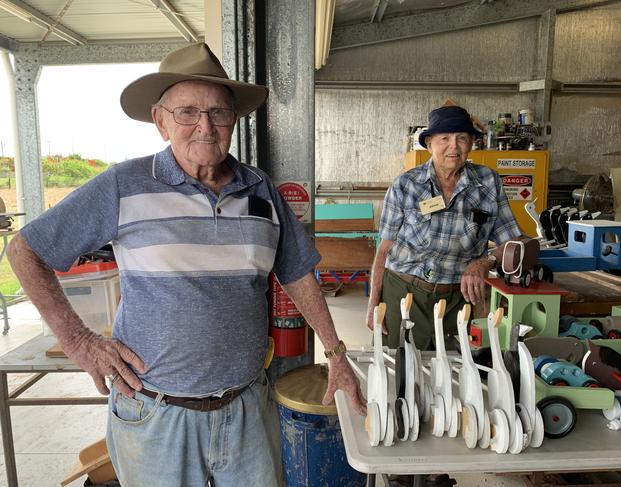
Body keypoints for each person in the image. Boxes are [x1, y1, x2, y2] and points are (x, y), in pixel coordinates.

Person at [8, 42, 365, 487]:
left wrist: (335, 354)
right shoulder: (125, 184)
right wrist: (81, 343)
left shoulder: (260, 189)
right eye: (187, 113)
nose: (205, 126)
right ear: (160, 121)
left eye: (218, 112)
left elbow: (295, 273)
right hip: (156, 415)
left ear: (233, 120)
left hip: (247, 410)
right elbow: (25, 250)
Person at [367, 105, 522, 351]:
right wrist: (374, 303)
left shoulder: (488, 183)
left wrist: (485, 262)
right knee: (399, 375)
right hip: (404, 294)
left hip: (459, 299)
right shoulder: (405, 185)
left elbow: (514, 243)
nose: (454, 147)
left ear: (472, 143)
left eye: (462, 138)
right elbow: (384, 250)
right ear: (429, 144)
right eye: (445, 139)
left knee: (457, 375)